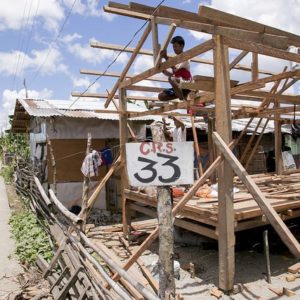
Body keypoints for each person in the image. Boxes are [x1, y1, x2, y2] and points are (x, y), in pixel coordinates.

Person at [158, 36, 192, 101]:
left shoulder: (185, 57)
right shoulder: (175, 59)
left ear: (181, 46)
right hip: (179, 86)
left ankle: (182, 98)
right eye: (173, 47)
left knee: (172, 79)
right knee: (161, 96)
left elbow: (175, 69)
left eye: (176, 46)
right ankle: (181, 95)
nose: (174, 48)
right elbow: (173, 73)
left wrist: (166, 57)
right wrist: (164, 71)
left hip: (186, 85)